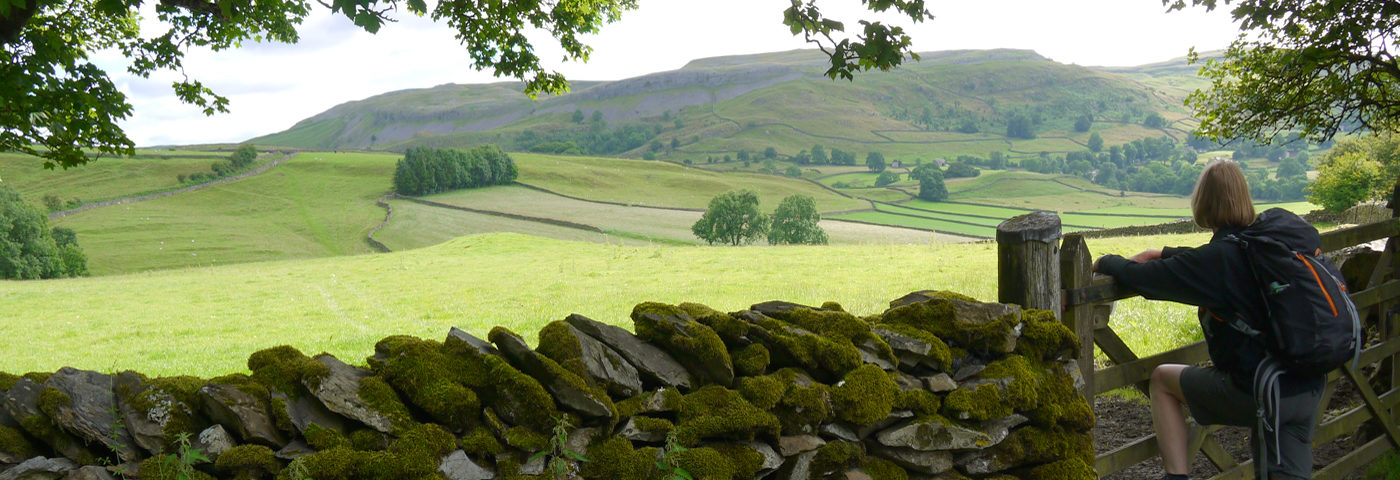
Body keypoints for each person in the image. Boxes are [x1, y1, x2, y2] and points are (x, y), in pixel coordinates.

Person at [1094, 159, 1326, 480]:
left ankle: (1176, 476)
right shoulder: (1263, 247)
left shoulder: (1218, 261)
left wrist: (1106, 261)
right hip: (1306, 383)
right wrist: (1163, 251)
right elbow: (1204, 262)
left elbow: (1148, 279)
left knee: (1161, 381)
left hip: (1261, 391)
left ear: (1202, 202)